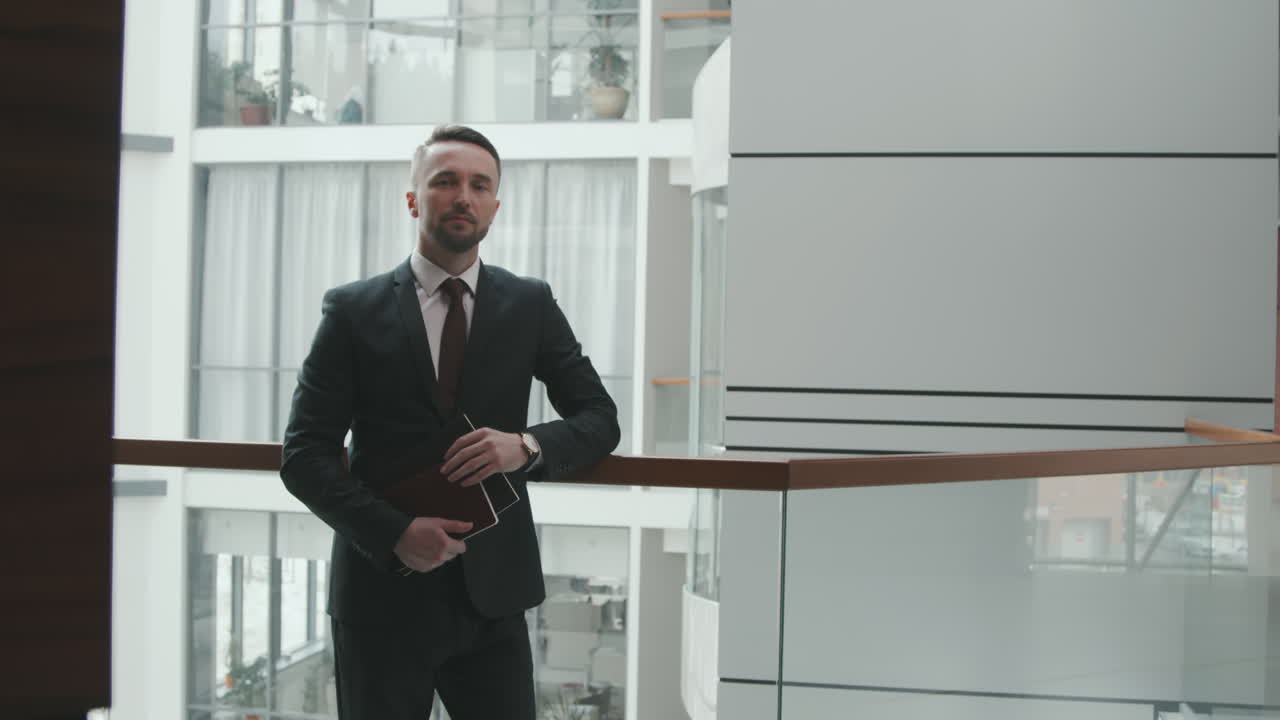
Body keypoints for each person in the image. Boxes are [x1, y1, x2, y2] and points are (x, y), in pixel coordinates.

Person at [280, 124, 620, 719]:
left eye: (479, 184)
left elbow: (599, 419)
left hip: (493, 600)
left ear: (494, 204)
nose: (464, 195)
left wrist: (526, 446)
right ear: (414, 198)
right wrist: (394, 533)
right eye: (445, 181)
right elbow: (304, 454)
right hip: (380, 598)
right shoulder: (352, 310)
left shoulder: (529, 303)